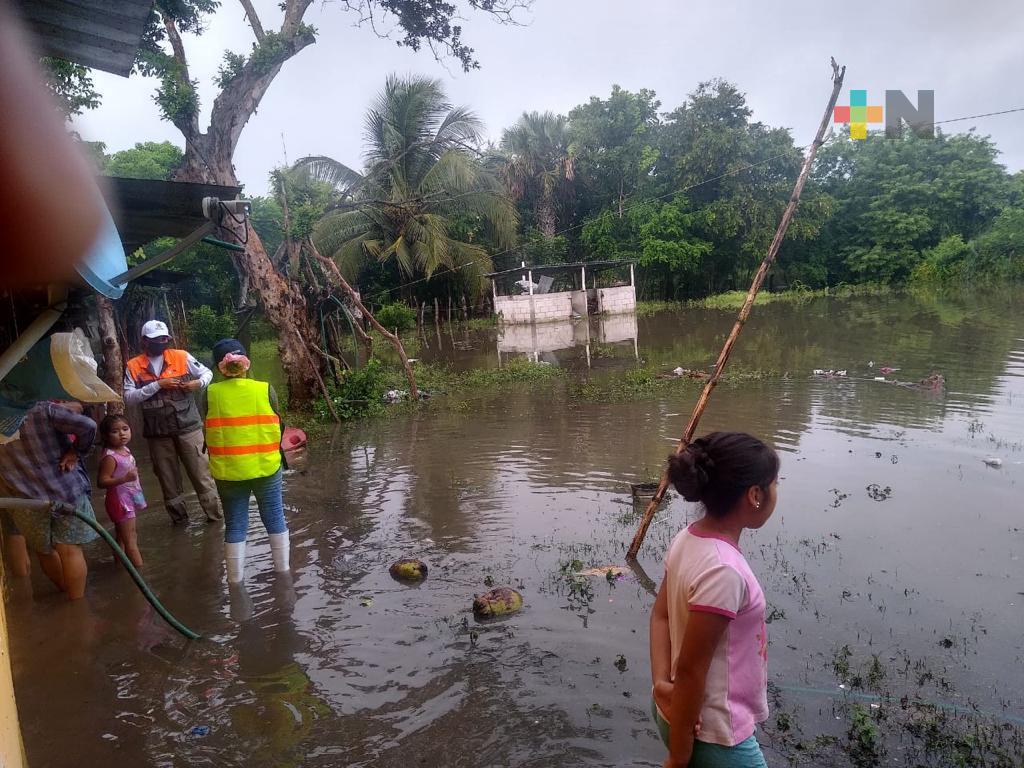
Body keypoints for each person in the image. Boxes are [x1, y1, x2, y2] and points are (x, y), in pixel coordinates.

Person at [649, 432, 779, 768]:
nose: (776, 493)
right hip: (712, 734)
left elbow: (660, 617)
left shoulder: (687, 538)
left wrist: (661, 683)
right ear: (755, 495)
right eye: (774, 484)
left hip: (675, 713)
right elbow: (692, 671)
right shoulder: (724, 570)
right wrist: (678, 758)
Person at [204, 339, 289, 583]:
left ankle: (235, 584)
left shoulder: (209, 394)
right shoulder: (265, 389)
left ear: (217, 367)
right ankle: (284, 578)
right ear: (246, 363)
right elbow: (277, 420)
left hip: (227, 470)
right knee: (274, 516)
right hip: (266, 466)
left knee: (235, 524)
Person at [123, 320, 222, 524]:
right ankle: (180, 522)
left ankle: (216, 519)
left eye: (164, 339)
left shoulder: (181, 356)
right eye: (157, 340)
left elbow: (207, 373)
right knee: (168, 481)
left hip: (188, 427)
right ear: (145, 341)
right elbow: (129, 397)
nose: (162, 342)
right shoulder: (133, 366)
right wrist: (158, 385)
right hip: (157, 433)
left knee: (202, 475)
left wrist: (198, 383)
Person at [0, 401, 101, 599]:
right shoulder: (42, 409)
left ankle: (69, 606)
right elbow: (88, 426)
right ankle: (77, 606)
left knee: (44, 551)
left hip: (25, 501)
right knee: (70, 550)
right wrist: (75, 452)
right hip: (65, 490)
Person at [96, 414, 146, 568]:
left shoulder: (124, 449)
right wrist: (124, 479)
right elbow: (102, 481)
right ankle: (142, 574)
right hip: (120, 502)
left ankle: (119, 567)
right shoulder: (110, 457)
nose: (122, 434)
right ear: (106, 435)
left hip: (128, 497)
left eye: (125, 429)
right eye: (115, 431)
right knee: (131, 539)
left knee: (122, 536)